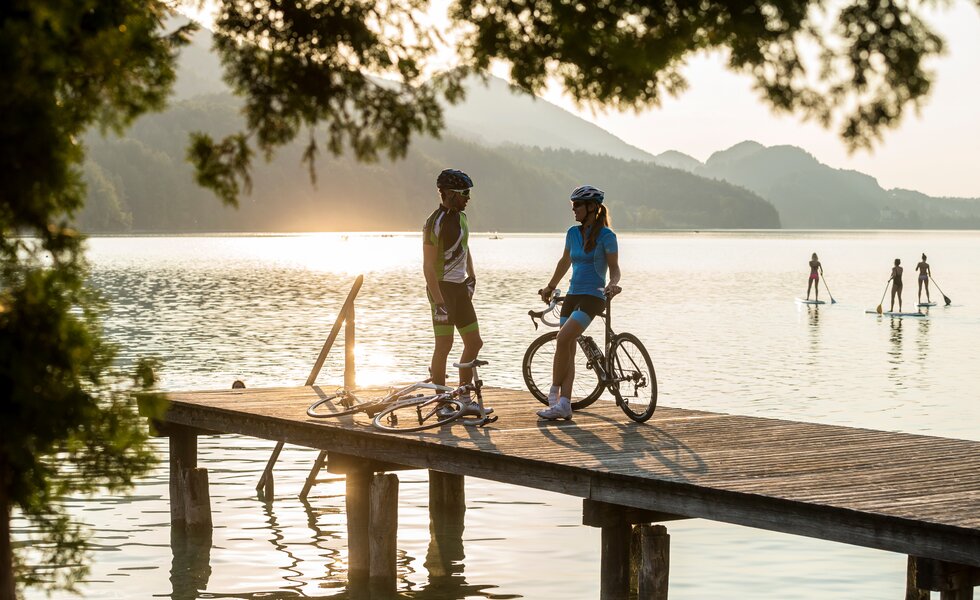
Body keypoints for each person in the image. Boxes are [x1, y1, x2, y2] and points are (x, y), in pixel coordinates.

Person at [536, 185, 621, 421]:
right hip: (572, 296)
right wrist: (550, 286)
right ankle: (565, 403)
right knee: (568, 348)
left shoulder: (607, 236)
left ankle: (553, 394)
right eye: (572, 206)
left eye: (578, 206)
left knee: (563, 338)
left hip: (593, 297)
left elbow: (614, 269)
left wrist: (613, 284)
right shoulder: (572, 233)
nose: (574, 210)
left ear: (592, 208)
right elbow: (564, 262)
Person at [422, 168, 483, 414]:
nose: (468, 197)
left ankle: (464, 397)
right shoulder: (434, 223)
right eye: (464, 193)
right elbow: (428, 266)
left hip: (460, 288)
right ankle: (441, 401)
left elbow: (465, 248)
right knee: (444, 345)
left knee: (474, 342)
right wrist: (439, 301)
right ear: (448, 194)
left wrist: (472, 276)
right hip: (441, 289)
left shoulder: (462, 217)